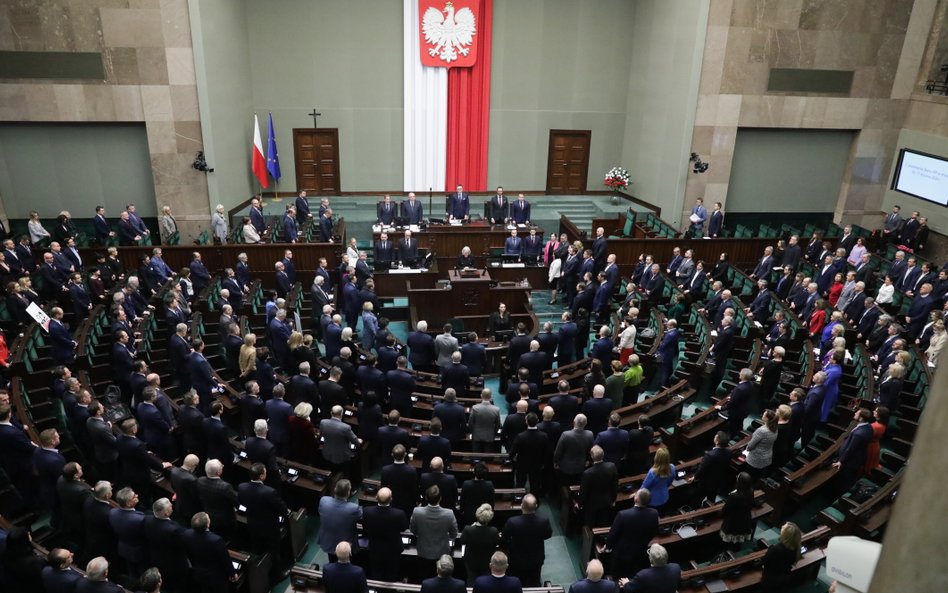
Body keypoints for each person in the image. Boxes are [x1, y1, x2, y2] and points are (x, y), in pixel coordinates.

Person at [500, 494, 551, 587]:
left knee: (517, 583)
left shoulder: (512, 522)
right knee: (535, 582)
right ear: (536, 506)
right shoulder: (544, 521)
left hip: (516, 560)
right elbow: (548, 535)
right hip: (536, 559)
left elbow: (504, 538)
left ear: (521, 505)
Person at [361, 487, 408, 581]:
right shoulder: (399, 514)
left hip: (375, 548)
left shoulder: (367, 511)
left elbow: (365, 527)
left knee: (376, 573)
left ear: (376, 497)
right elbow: (403, 528)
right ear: (391, 499)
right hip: (393, 550)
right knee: (392, 573)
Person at [411, 485, 459, 562]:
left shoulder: (417, 512)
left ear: (426, 498)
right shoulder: (449, 513)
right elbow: (454, 534)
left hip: (423, 551)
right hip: (442, 552)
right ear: (440, 498)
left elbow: (413, 530)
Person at [318, 480, 362, 560]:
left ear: (335, 489)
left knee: (331, 561)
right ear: (348, 493)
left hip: (328, 542)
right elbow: (361, 518)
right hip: (346, 547)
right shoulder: (353, 508)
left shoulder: (323, 500)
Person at [459, 503, 501, 584]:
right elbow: (497, 542)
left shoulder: (468, 529)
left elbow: (462, 541)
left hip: (471, 562)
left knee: (471, 582)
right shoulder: (493, 531)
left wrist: (472, 527)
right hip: (487, 562)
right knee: (486, 583)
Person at [761, 522, 804, 593]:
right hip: (785, 578)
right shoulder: (796, 548)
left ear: (786, 535)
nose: (781, 526)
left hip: (771, 581)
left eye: (783, 527)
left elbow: (764, 562)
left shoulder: (774, 549)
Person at [720, 472, 755, 547]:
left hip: (733, 521)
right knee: (738, 539)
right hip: (745, 518)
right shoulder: (751, 491)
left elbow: (726, 509)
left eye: (737, 478)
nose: (736, 479)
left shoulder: (734, 496)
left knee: (729, 543)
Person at [744, 409, 778, 482]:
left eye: (764, 414)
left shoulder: (762, 430)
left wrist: (747, 449)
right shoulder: (775, 428)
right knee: (757, 477)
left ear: (767, 419)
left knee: (749, 477)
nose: (762, 415)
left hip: (756, 458)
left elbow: (751, 445)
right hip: (767, 456)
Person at [642, 446, 675, 512]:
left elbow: (644, 488)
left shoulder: (652, 472)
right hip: (664, 497)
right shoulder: (672, 467)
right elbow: (669, 482)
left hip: (652, 501)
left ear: (657, 458)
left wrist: (636, 494)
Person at [864, 406, 889, 475]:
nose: (873, 411)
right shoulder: (882, 424)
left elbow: (865, 436)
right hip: (875, 445)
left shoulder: (876, 426)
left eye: (876, 411)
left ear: (879, 415)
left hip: (870, 447)